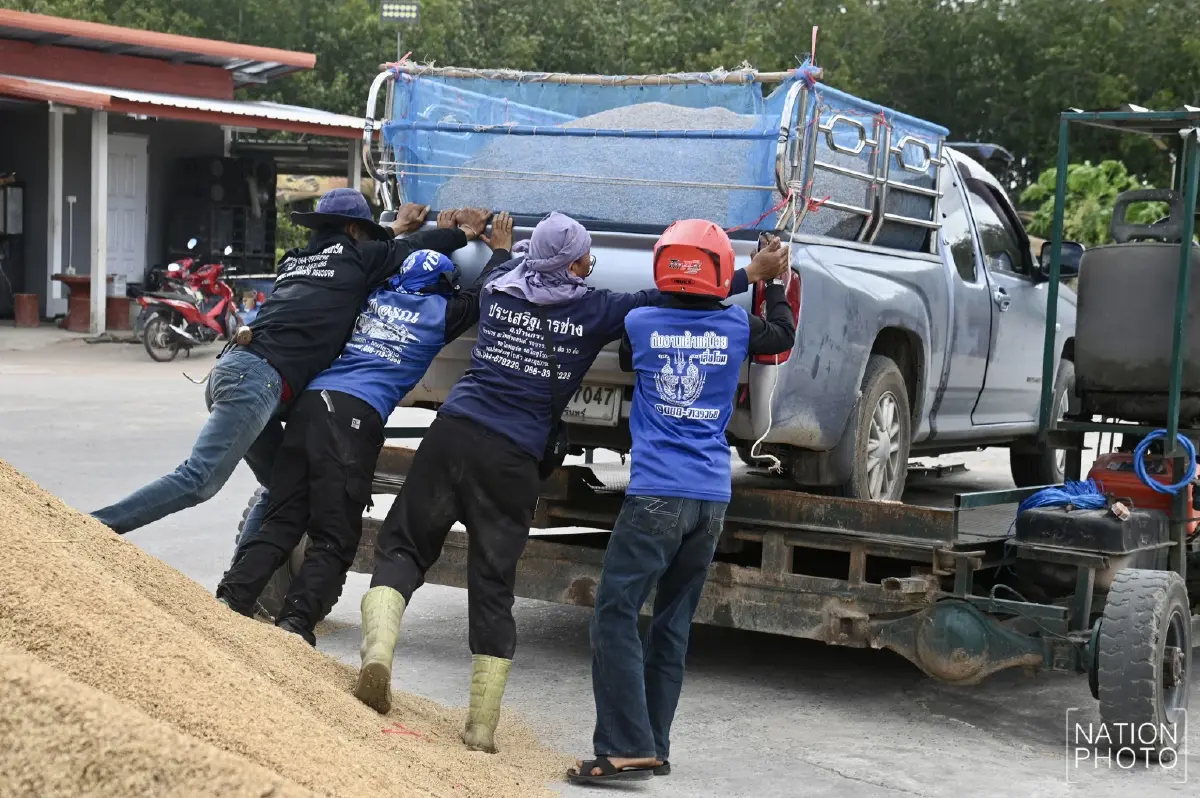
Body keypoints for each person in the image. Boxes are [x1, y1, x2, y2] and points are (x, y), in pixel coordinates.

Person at [351, 211, 789, 757]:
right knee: (492, 583)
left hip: (452, 435)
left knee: (404, 546)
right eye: (585, 256)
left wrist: (506, 250)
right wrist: (754, 273)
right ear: (573, 263)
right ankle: (481, 729)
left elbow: (508, 268)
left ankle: (379, 652)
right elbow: (676, 294)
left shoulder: (497, 289)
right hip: (512, 459)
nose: (590, 264)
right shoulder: (594, 310)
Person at [91, 188, 490, 540]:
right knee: (199, 480)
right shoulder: (357, 259)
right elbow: (412, 247)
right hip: (258, 380)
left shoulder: (294, 260)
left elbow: (380, 247)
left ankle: (239, 589)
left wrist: (397, 228)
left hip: (234, 370)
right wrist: (464, 233)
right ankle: (95, 527)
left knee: (285, 489)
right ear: (354, 231)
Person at [213, 212, 513, 645]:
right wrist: (500, 248)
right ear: (443, 286)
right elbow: (486, 289)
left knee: (283, 516)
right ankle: (295, 627)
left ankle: (229, 601)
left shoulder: (376, 294)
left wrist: (441, 233)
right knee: (335, 536)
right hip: (353, 418)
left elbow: (394, 256)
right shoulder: (442, 312)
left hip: (311, 405)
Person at [566, 222, 795, 784]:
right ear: (719, 272)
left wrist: (743, 279)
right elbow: (782, 335)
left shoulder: (642, 324)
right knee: (671, 622)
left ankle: (622, 747)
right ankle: (654, 747)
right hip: (711, 498)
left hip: (654, 497)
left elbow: (626, 361)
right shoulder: (739, 325)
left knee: (615, 615)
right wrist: (770, 281)